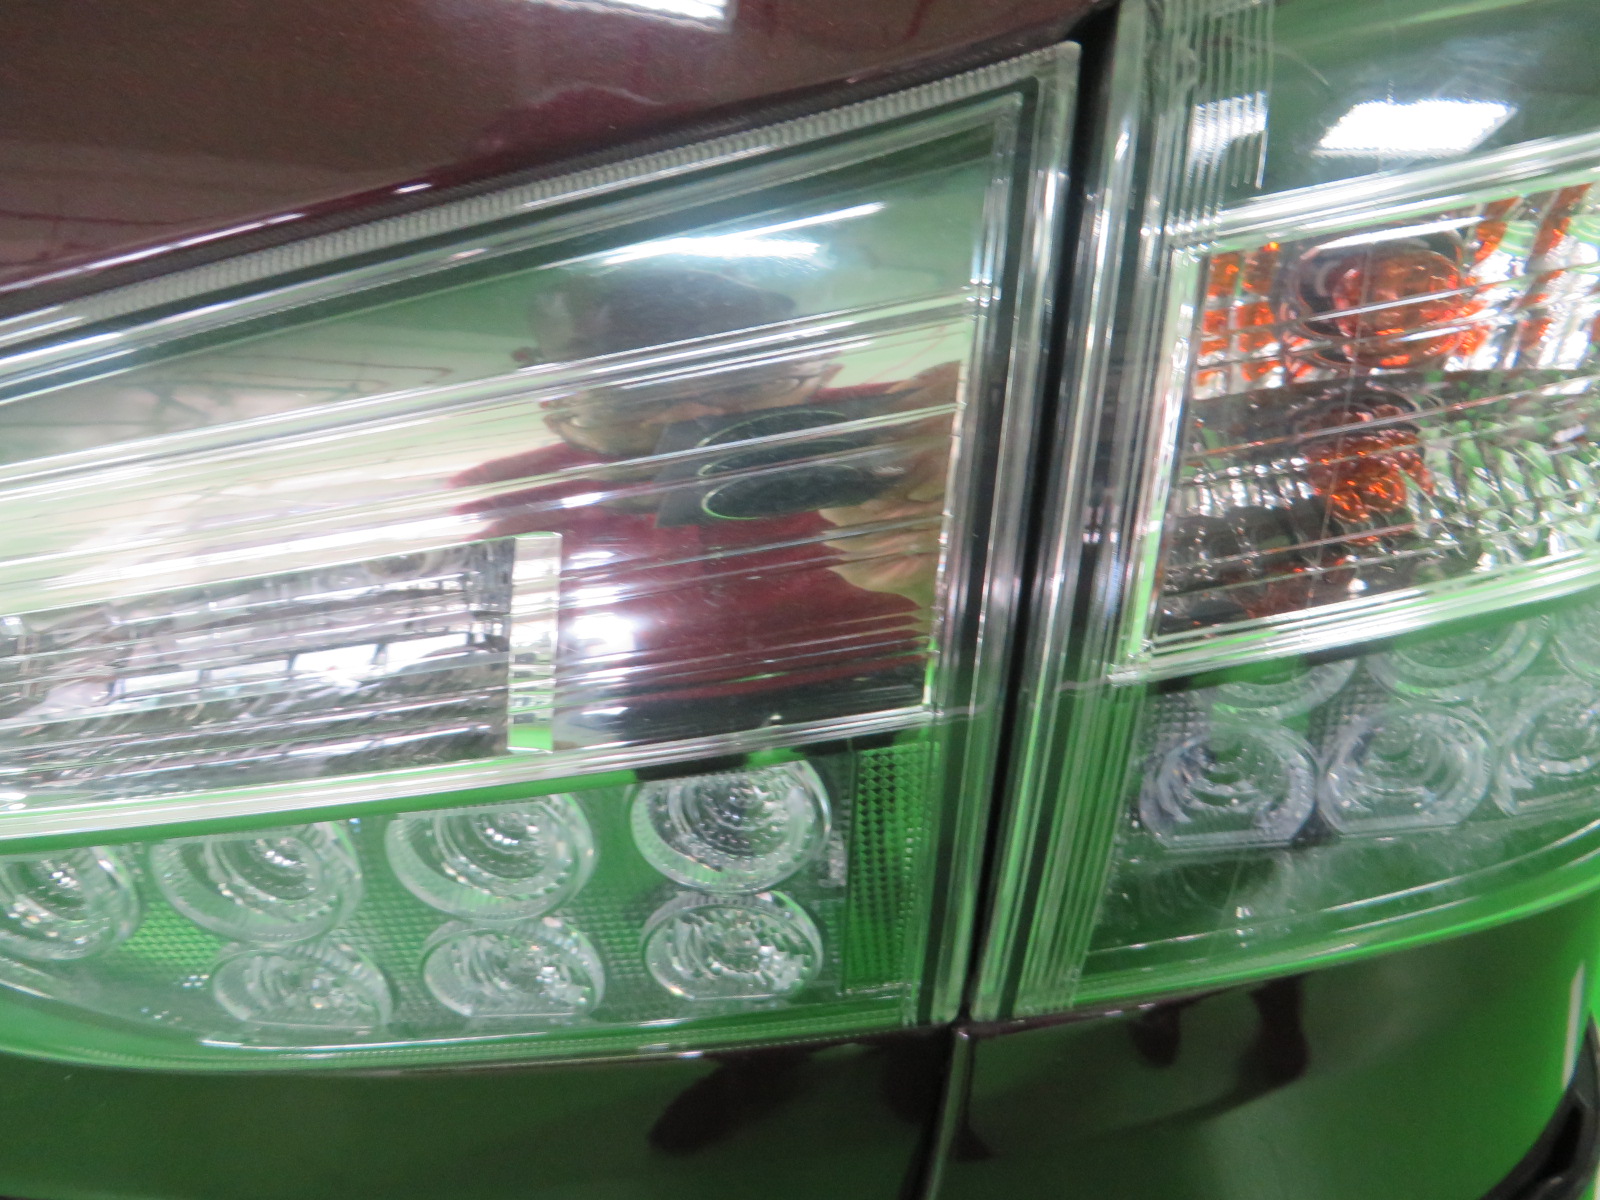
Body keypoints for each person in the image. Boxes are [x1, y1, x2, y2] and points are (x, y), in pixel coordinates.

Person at [452, 265, 957, 747]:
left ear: (810, 365)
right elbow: (522, 652)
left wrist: (973, 426)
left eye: (740, 382)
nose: (691, 412)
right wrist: (532, 747)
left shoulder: (901, 424)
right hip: (654, 707)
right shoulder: (513, 495)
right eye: (634, 389)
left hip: (883, 680)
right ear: (552, 391)